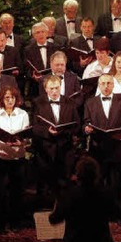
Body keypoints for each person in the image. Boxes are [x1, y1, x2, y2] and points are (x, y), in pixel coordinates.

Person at [49, 156, 116, 242]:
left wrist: (59, 201)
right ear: (96, 174)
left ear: (77, 175)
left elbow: (54, 219)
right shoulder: (106, 193)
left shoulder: (69, 195)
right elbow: (116, 213)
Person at [32, 75, 80, 207]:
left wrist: (63, 131)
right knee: (46, 183)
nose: (54, 91)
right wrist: (47, 131)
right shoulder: (37, 102)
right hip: (45, 150)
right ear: (46, 89)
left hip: (65, 149)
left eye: (57, 88)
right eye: (51, 88)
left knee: (65, 183)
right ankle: (45, 212)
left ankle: (66, 210)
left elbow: (76, 125)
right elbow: (34, 127)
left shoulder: (70, 102)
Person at [83, 73, 121, 189]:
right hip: (97, 149)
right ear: (99, 85)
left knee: (117, 186)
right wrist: (86, 129)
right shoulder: (90, 102)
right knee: (98, 185)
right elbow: (86, 122)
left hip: (117, 149)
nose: (106, 86)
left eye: (109, 83)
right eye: (103, 83)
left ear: (113, 85)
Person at [0, 86, 30, 231]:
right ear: (2, 99)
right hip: (0, 157)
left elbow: (25, 135)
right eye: (7, 97)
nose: (10, 100)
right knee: (0, 192)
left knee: (17, 193)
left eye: (12, 97)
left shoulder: (23, 114)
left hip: (17, 157)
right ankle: (0, 224)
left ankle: (15, 223)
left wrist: (22, 142)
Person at [25, 22, 58, 98]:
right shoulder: (28, 50)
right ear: (34, 36)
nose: (41, 34)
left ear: (47, 33)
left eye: (43, 32)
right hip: (36, 87)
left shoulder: (56, 48)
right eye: (37, 32)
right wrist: (33, 76)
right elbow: (26, 68)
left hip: (54, 84)